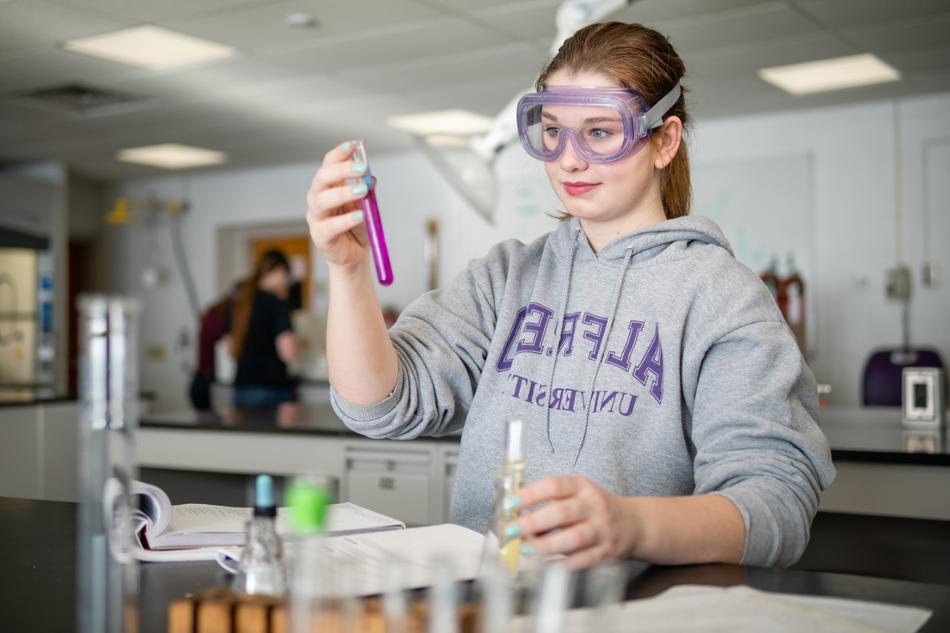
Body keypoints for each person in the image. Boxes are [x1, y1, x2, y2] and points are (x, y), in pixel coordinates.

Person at [305, 22, 835, 570]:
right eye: (553, 131)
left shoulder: (722, 298)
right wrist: (347, 272)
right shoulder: (506, 278)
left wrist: (632, 526)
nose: (569, 159)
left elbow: (776, 505)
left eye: (600, 132)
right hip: (488, 604)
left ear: (664, 141)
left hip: (632, 612)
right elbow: (380, 406)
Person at [228, 249, 302, 408]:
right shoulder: (276, 303)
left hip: (242, 387)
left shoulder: (241, 301)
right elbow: (287, 353)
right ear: (281, 270)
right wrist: (298, 345)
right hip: (271, 389)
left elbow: (230, 345)